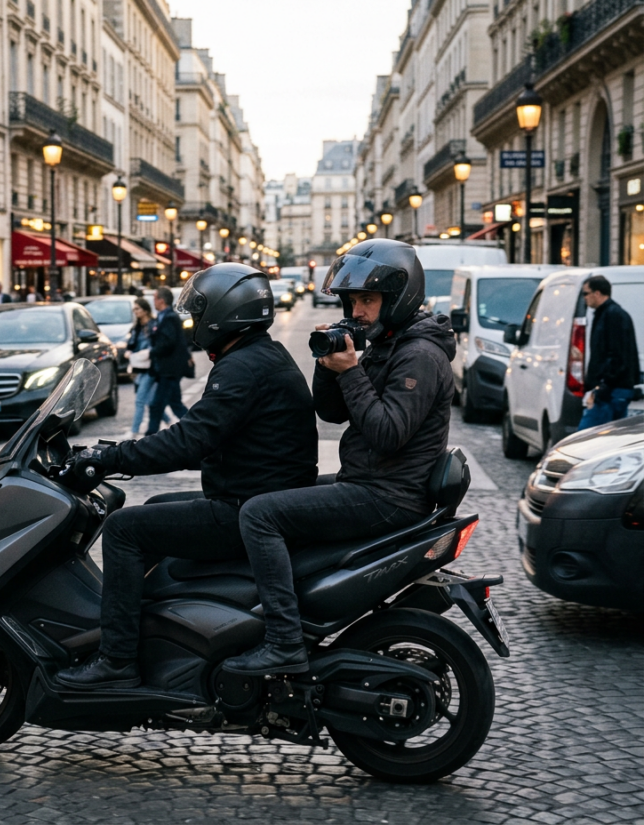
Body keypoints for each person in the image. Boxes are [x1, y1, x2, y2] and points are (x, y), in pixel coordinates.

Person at [55, 263, 319, 689]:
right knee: (158, 507)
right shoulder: (260, 354)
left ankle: (117, 658)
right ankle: (164, 631)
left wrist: (109, 458)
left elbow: (189, 441)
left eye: (199, 314)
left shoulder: (243, 367)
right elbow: (229, 441)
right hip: (257, 491)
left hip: (244, 509)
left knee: (124, 529)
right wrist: (113, 453)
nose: (194, 325)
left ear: (224, 314)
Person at [223, 239, 456, 677]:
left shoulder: (419, 355)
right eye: (352, 300)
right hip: (369, 482)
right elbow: (331, 412)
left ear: (398, 297)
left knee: (259, 515)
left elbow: (387, 433)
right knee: (276, 495)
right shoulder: (389, 344)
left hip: (388, 496)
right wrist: (327, 363)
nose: (357, 311)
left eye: (367, 299)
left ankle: (283, 642)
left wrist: (351, 372)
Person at [578, 274, 640, 430]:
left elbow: (616, 354)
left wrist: (603, 384)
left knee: (586, 436)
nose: (584, 298)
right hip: (613, 389)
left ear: (597, 293)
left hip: (611, 390)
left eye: (586, 293)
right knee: (609, 436)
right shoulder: (609, 315)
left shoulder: (612, 316)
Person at [144, 287, 190, 435]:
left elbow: (168, 342)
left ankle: (150, 436)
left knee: (156, 405)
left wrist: (152, 351)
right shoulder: (165, 316)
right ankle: (195, 429)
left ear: (161, 300)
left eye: (155, 298)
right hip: (169, 369)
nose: (154, 301)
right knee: (176, 404)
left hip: (169, 369)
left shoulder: (169, 317)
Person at [125, 297, 168, 437]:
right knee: (151, 401)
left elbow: (159, 345)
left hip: (150, 368)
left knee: (140, 400)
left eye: (137, 309)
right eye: (134, 309)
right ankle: (170, 421)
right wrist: (129, 351)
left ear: (145, 310)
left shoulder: (154, 324)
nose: (135, 312)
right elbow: (131, 343)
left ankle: (134, 431)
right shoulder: (136, 327)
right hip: (139, 366)